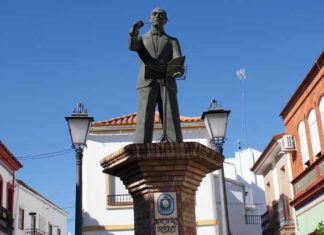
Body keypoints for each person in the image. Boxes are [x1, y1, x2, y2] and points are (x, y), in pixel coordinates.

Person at [129, 7, 184, 143]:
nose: (157, 16)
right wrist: (134, 31)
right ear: (149, 19)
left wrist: (178, 69)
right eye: (154, 14)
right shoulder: (142, 38)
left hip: (167, 80)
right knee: (144, 115)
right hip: (147, 80)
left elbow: (177, 60)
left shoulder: (172, 41)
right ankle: (141, 146)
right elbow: (132, 46)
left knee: (171, 115)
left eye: (161, 15)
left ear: (165, 20)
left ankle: (174, 145)